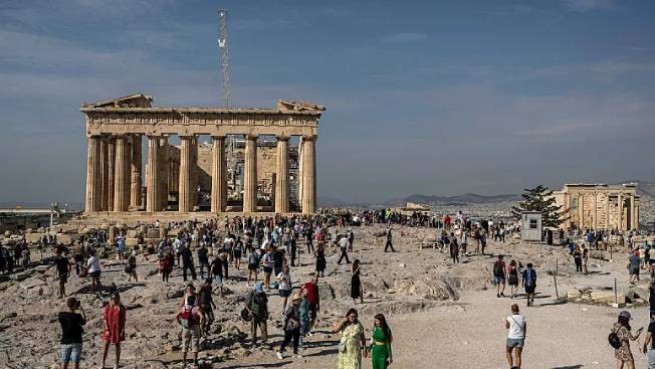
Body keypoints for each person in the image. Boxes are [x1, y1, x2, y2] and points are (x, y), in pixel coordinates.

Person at [58, 297, 86, 369]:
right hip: (76, 342)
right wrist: (82, 310)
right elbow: (84, 322)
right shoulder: (77, 316)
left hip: (65, 342)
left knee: (64, 364)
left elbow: (64, 313)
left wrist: (68, 306)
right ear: (75, 305)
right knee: (75, 364)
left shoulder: (61, 315)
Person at [177, 294, 204, 368]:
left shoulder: (183, 308)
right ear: (194, 301)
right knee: (195, 344)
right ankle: (195, 361)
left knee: (185, 344)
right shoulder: (196, 309)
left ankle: (183, 361)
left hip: (185, 328)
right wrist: (200, 323)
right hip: (195, 327)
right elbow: (202, 317)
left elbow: (177, 316)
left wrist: (180, 323)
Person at [101, 292, 126, 369]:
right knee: (106, 345)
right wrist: (107, 329)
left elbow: (123, 320)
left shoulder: (121, 308)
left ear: (118, 298)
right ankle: (102, 363)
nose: (114, 299)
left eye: (116, 298)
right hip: (108, 328)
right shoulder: (108, 306)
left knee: (117, 345)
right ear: (111, 298)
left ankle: (116, 363)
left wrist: (122, 330)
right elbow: (105, 318)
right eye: (113, 298)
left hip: (117, 329)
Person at [277, 292, 303, 359]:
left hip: (296, 326)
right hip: (289, 326)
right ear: (295, 300)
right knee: (287, 340)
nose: (300, 301)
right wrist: (294, 321)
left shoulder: (298, 306)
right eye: (299, 300)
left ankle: (295, 353)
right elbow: (286, 316)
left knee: (296, 340)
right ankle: (280, 351)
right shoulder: (290, 306)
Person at [505, 303, 526, 369]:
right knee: (518, 355)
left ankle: (511, 366)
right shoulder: (523, 318)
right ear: (518, 310)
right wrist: (524, 336)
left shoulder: (509, 318)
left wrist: (505, 322)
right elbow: (524, 328)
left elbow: (507, 327)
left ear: (512, 310)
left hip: (511, 337)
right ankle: (518, 368)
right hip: (520, 337)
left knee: (508, 352)